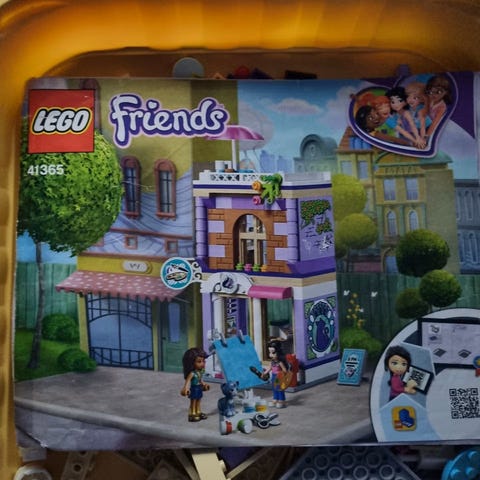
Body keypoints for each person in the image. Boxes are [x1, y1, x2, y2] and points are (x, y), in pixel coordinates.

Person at [181, 347, 210, 422]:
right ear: (191, 363)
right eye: (199, 361)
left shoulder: (199, 372)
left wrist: (204, 385)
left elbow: (200, 380)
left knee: (199, 400)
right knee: (193, 401)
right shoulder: (192, 373)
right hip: (194, 389)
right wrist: (186, 388)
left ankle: (198, 411)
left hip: (199, 388)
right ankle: (192, 413)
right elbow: (187, 381)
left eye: (203, 361)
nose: (202, 364)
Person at [261, 339, 290, 408]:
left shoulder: (280, 362)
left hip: (279, 376)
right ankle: (275, 398)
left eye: (273, 353)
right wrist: (264, 373)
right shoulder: (272, 362)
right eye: (270, 352)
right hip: (274, 376)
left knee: (279, 388)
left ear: (278, 353)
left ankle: (281, 400)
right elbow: (269, 368)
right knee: (274, 388)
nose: (271, 355)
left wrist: (283, 374)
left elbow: (284, 370)